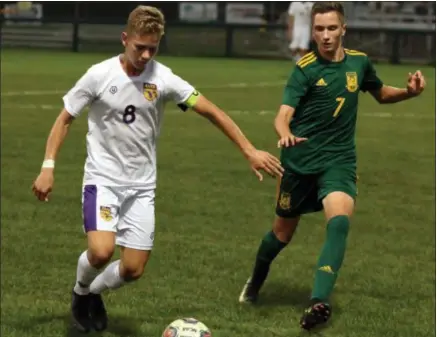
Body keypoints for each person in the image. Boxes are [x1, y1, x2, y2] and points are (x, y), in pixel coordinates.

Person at [31, 5, 284, 333]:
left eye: (153, 47)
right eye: (140, 47)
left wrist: (249, 151)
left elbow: (211, 111)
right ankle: (80, 294)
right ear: (125, 39)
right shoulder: (98, 75)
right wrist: (47, 167)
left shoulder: (164, 79)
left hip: (141, 187)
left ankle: (93, 292)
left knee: (134, 269)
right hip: (102, 180)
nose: (146, 54)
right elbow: (64, 119)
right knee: (101, 251)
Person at [239, 1, 426, 331]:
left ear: (343, 29)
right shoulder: (305, 69)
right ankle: (255, 281)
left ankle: (318, 302)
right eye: (319, 29)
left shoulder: (359, 63)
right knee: (281, 235)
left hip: (339, 160)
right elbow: (282, 116)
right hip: (299, 164)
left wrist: (408, 93)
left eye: (331, 28)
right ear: (312, 32)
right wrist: (284, 135)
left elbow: (380, 93)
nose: (325, 35)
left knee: (339, 222)